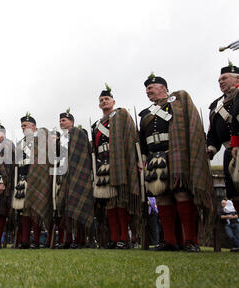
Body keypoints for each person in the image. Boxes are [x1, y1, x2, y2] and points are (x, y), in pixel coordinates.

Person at [139, 73, 215, 252]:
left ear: (163, 88)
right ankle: (170, 241)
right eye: (146, 89)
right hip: (154, 158)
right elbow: (142, 139)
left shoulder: (177, 104)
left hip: (175, 153)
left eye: (151, 88)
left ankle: (191, 241)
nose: (148, 91)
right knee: (162, 197)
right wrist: (142, 158)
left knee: (182, 194)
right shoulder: (146, 114)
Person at [91, 85, 141, 249]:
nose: (104, 101)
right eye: (101, 100)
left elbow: (131, 138)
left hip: (119, 162)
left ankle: (124, 238)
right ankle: (114, 237)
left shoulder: (122, 115)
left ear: (113, 101)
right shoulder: (97, 125)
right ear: (99, 105)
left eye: (106, 99)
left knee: (121, 201)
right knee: (109, 202)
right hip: (103, 165)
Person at [12, 113, 53, 249]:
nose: (23, 128)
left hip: (37, 178)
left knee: (36, 210)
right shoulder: (20, 144)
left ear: (33, 126)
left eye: (26, 125)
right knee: (24, 211)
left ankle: (35, 241)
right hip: (23, 177)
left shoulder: (41, 139)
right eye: (22, 126)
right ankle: (25, 241)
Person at [56, 109, 93, 249]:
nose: (61, 122)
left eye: (64, 120)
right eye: (60, 121)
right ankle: (68, 239)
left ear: (71, 122)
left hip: (79, 174)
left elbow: (85, 154)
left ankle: (80, 240)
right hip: (66, 175)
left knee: (79, 206)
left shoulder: (79, 133)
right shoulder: (62, 138)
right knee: (66, 207)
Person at [207, 61, 239, 209]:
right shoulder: (215, 106)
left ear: (237, 78)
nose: (220, 81)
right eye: (219, 80)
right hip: (229, 152)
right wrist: (211, 148)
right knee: (235, 194)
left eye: (224, 78)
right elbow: (213, 133)